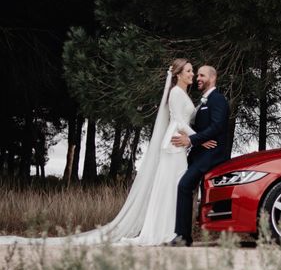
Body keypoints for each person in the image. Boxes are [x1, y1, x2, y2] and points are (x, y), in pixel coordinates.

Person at [0, 59, 217, 246]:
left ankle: (172, 231)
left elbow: (186, 117)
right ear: (178, 74)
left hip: (178, 143)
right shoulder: (177, 93)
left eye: (193, 71)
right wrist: (199, 140)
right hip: (175, 144)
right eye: (189, 70)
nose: (192, 74)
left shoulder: (182, 94)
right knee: (170, 188)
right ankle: (165, 232)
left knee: (173, 188)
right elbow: (179, 122)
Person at [168, 65, 230, 246]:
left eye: (202, 75)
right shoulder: (203, 101)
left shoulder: (217, 99)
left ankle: (183, 236)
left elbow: (217, 127)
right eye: (198, 75)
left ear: (213, 77)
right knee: (183, 187)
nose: (198, 78)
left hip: (212, 154)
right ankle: (182, 233)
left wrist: (192, 140)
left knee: (185, 185)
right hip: (199, 153)